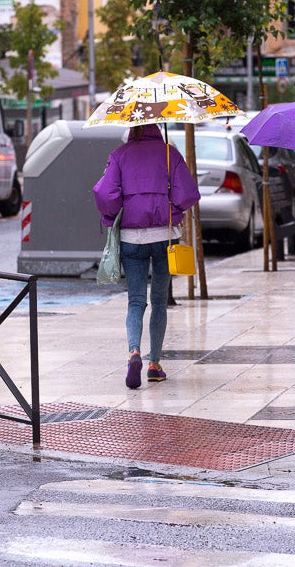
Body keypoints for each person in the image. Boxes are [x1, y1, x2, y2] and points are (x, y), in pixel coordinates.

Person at [93, 124, 200, 389]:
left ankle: (133, 353)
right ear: (156, 128)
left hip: (131, 238)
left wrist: (114, 215)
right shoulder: (169, 154)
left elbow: (104, 193)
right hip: (164, 236)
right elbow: (188, 194)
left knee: (136, 301)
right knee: (160, 301)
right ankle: (154, 364)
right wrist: (172, 207)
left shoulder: (119, 155)